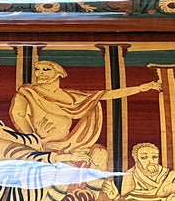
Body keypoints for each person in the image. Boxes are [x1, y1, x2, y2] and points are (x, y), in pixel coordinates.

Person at [9, 60, 160, 168]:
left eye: (45, 69)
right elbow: (18, 115)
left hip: (72, 143)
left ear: (58, 73)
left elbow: (108, 95)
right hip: (43, 145)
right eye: (38, 70)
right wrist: (34, 138)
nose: (39, 73)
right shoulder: (27, 92)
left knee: (100, 155)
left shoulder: (71, 96)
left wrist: (141, 88)